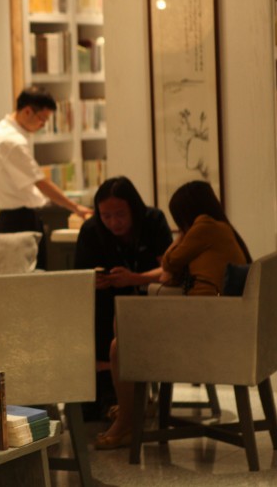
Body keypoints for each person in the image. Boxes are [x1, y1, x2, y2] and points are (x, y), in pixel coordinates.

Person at [96, 180, 251, 450]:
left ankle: (127, 418)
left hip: (204, 322)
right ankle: (133, 406)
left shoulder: (204, 226)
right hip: (215, 319)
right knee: (124, 324)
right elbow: (171, 272)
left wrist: (183, 235)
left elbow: (169, 262)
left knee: (119, 346)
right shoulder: (219, 228)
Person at [74, 176, 172, 422]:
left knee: (118, 311)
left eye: (120, 214)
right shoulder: (91, 230)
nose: (113, 222)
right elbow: (78, 277)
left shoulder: (153, 221)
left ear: (134, 208)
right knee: (95, 309)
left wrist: (134, 278)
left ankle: (115, 397)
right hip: (106, 302)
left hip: (150, 299)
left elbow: (169, 271)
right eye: (106, 216)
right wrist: (93, 281)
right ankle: (106, 392)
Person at [0, 86, 92, 269]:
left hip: (10, 218)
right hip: (20, 220)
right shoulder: (12, 141)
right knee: (31, 277)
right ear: (27, 111)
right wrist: (75, 207)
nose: (43, 125)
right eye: (42, 119)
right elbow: (40, 182)